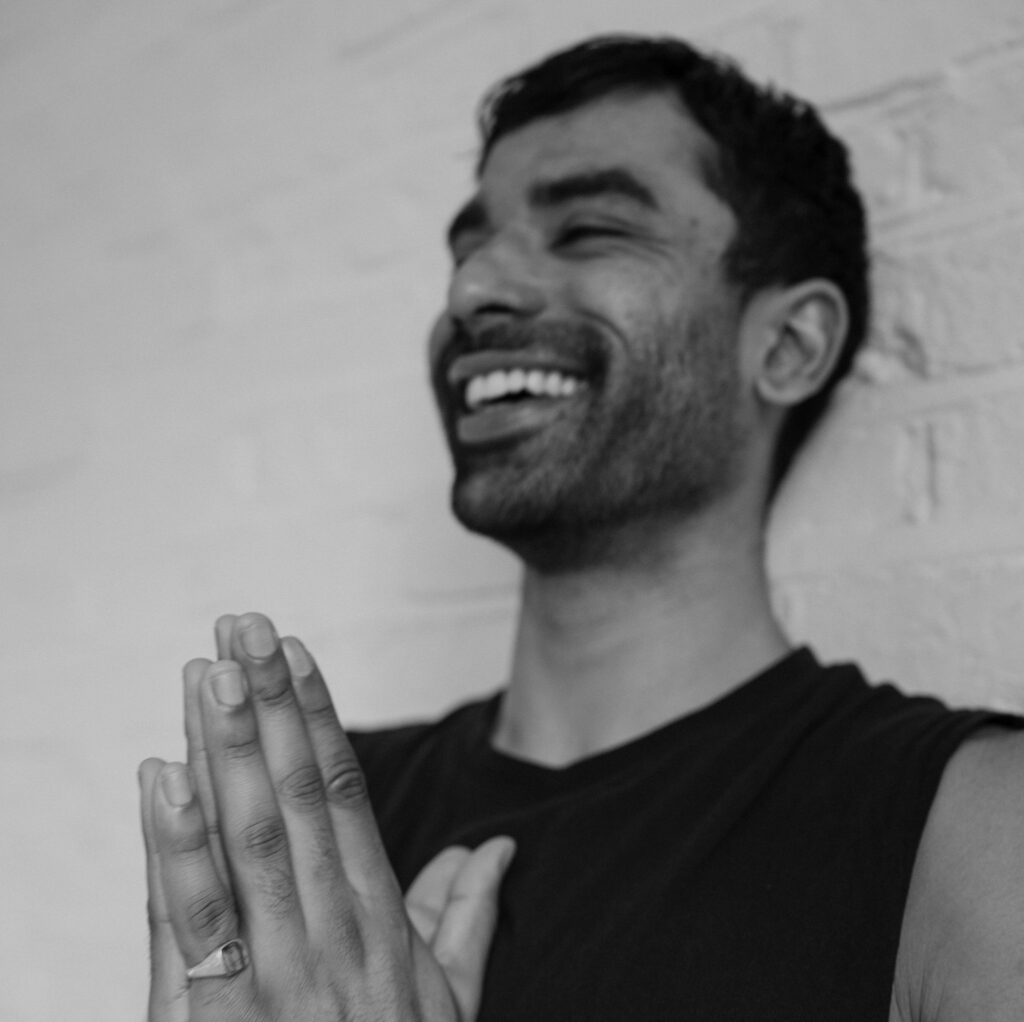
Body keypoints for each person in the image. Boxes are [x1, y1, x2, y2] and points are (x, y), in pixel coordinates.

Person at [139, 34, 1024, 1021]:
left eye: (591, 230)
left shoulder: (970, 826)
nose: (472, 291)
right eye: (467, 250)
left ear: (785, 345)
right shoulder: (307, 831)